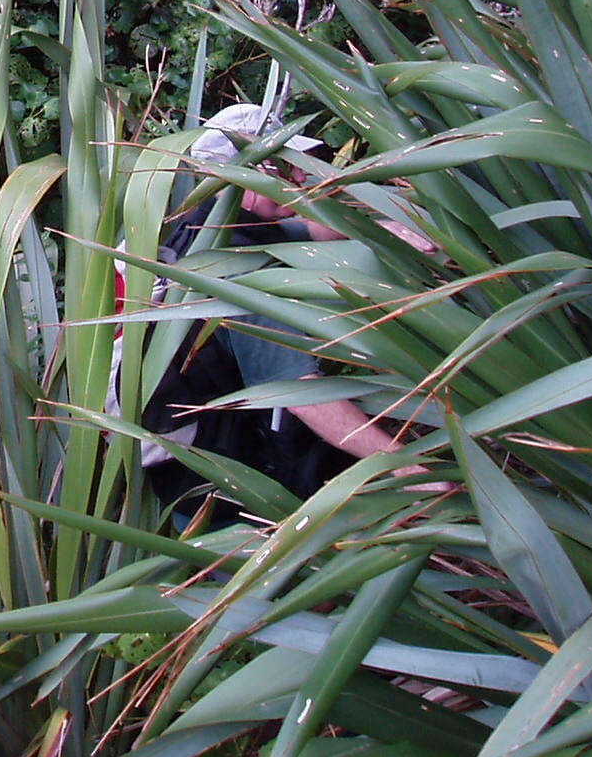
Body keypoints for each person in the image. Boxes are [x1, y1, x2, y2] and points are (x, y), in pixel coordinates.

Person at [120, 103, 433, 494]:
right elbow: (305, 396)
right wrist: (407, 469)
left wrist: (392, 232)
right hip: (227, 488)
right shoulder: (244, 275)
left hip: (184, 461)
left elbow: (311, 231)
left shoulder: (204, 227)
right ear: (241, 179)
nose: (300, 175)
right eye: (283, 167)